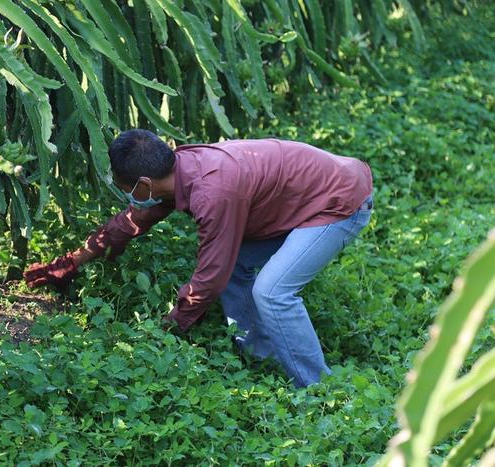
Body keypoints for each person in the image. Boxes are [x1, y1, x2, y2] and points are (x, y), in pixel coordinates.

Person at [24, 129, 373, 387]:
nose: (126, 194)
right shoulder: (177, 170)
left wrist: (168, 329)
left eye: (125, 186)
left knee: (272, 292)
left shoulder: (213, 192)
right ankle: (260, 355)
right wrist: (71, 261)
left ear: (144, 183)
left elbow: (210, 278)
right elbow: (129, 221)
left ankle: (319, 388)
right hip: (304, 198)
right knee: (237, 265)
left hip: (339, 203)